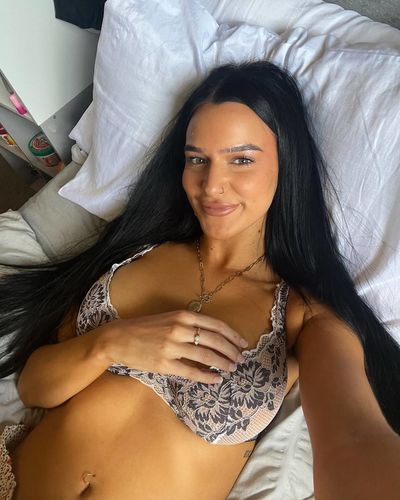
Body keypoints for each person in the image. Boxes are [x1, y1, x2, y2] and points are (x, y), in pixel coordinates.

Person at [0, 61, 400, 499]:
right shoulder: (135, 252)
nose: (211, 185)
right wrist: (110, 343)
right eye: (197, 160)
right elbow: (34, 387)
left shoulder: (305, 314)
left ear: (287, 164)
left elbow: (354, 437)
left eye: (241, 159)